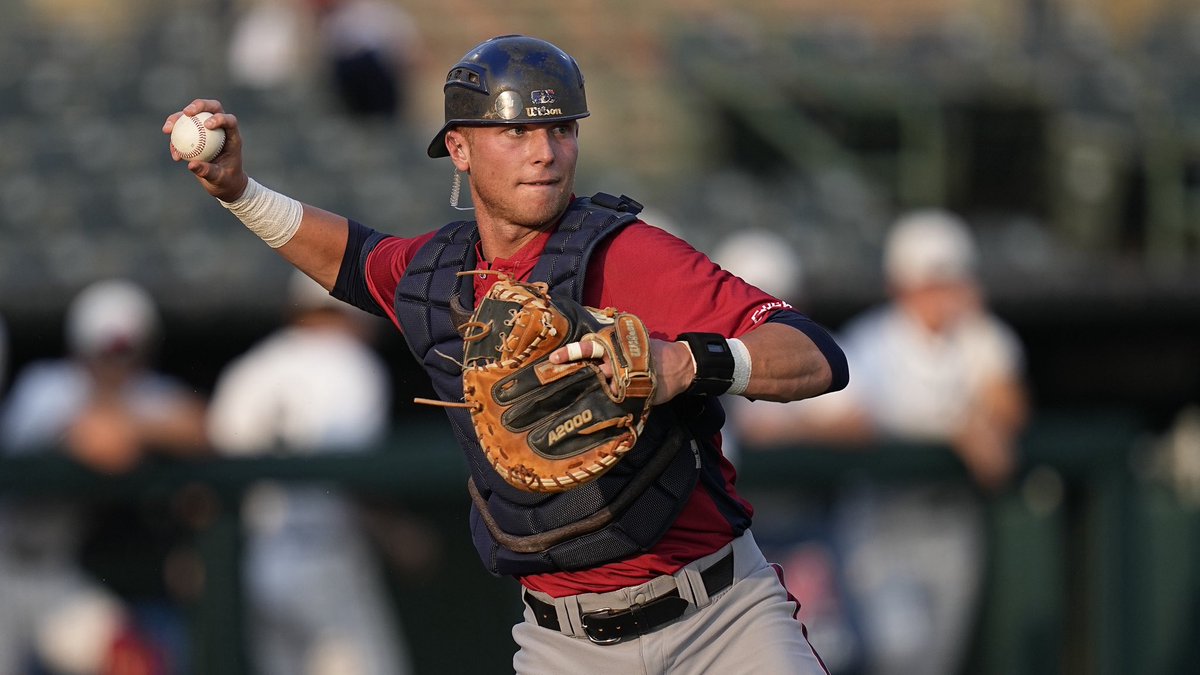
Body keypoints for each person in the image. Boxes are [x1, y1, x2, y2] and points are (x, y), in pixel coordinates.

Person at [164, 34, 848, 673]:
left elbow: (816, 354)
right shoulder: (438, 280)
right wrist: (240, 193)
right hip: (562, 641)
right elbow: (352, 259)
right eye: (517, 130)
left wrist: (690, 363)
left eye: (561, 128)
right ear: (459, 148)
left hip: (720, 620)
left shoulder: (627, 255)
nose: (545, 151)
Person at [733, 210, 1029, 675]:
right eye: (929, 279)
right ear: (902, 282)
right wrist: (960, 426)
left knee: (929, 659)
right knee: (882, 650)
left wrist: (977, 424)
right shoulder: (875, 340)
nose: (940, 291)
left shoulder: (977, 333)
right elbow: (862, 422)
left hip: (939, 519)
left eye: (948, 278)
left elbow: (1006, 402)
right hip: (871, 524)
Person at [206, 270, 415, 675]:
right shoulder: (351, 363)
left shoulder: (253, 367)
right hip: (326, 560)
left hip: (259, 563)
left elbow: (213, 465)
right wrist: (395, 532)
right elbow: (352, 472)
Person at [0, 279, 210, 675]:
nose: (115, 365)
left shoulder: (138, 394)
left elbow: (203, 427)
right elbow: (100, 442)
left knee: (133, 661)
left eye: (125, 352)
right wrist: (143, 428)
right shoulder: (45, 385)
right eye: (105, 352)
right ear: (80, 350)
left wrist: (140, 426)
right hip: (3, 566)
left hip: (50, 572)